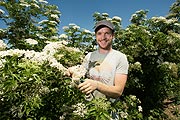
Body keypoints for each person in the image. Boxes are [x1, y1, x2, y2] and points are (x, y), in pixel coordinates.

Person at [78, 20, 129, 102]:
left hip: (108, 110)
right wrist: (71, 72)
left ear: (113, 36)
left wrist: (97, 85)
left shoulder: (120, 57)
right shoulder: (89, 56)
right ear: (95, 36)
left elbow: (118, 91)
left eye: (107, 33)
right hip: (88, 108)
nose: (103, 37)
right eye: (99, 33)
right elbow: (81, 78)